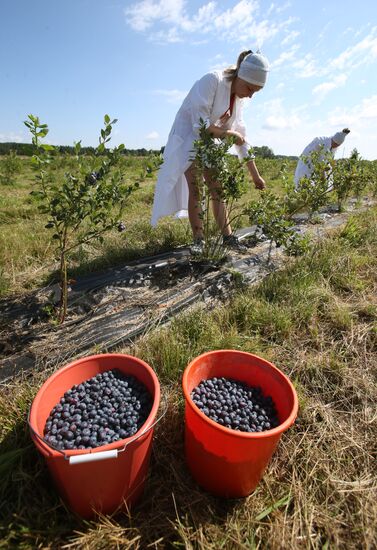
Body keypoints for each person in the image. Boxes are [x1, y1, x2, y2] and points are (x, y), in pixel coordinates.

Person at [151, 50, 269, 253]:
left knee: (218, 189)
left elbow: (242, 138)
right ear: (240, 75)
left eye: (255, 92)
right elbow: (200, 126)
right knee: (197, 188)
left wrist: (255, 176)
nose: (250, 95)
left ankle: (228, 237)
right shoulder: (212, 81)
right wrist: (229, 133)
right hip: (190, 137)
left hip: (212, 139)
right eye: (250, 88)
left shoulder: (238, 101)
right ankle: (199, 241)